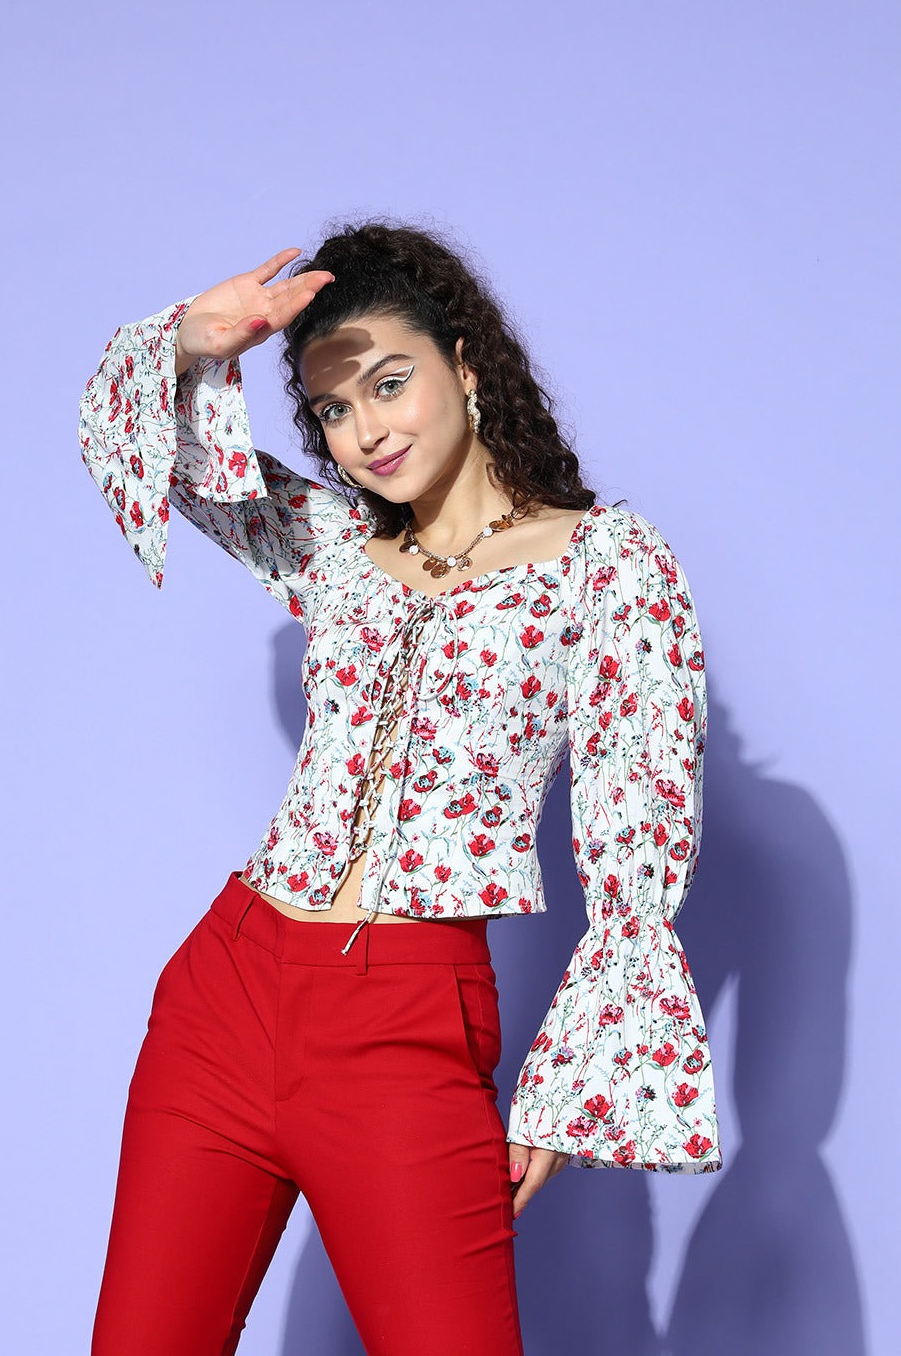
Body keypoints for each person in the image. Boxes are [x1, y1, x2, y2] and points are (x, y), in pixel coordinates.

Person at [78, 221, 722, 1356]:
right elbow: (142, 446)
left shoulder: (606, 566)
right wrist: (193, 340)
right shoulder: (329, 546)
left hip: (407, 1025)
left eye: (388, 384)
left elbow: (639, 836)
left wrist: (567, 1084)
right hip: (225, 995)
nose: (367, 431)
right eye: (333, 409)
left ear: (464, 364)